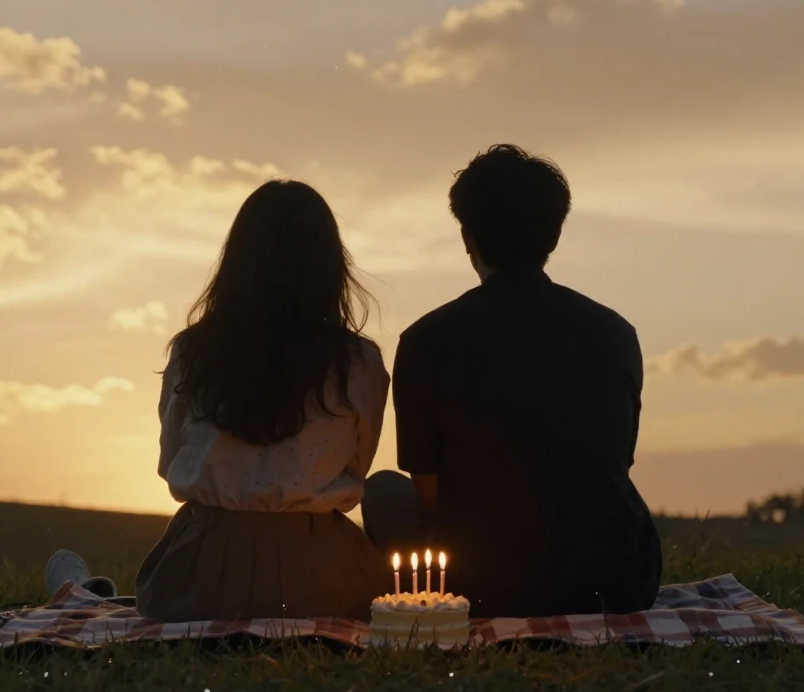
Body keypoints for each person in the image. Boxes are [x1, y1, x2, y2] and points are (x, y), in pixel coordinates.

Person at [50, 180, 390, 621]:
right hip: (323, 581)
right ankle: (83, 589)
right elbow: (354, 471)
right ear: (330, 266)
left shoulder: (193, 353)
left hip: (202, 580)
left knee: (94, 581)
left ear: (236, 263)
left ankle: (80, 590)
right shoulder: (360, 362)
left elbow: (170, 463)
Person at [362, 144, 663, 618]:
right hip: (617, 578)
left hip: (475, 583)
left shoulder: (426, 340)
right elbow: (613, 461)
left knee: (380, 489)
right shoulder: (614, 333)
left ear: (467, 237)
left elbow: (429, 496)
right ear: (554, 235)